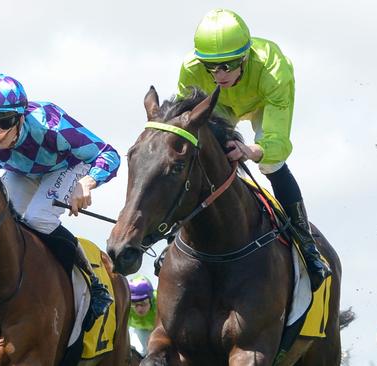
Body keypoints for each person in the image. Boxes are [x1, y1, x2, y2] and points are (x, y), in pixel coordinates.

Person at [176, 9, 330, 291]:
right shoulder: (191, 69)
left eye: (227, 66)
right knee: (205, 154)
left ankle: (305, 241)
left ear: (244, 57)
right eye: (211, 66)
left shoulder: (273, 69)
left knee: (272, 164)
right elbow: (189, 123)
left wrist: (253, 150)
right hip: (221, 105)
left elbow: (278, 140)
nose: (218, 75)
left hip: (263, 102)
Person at [0, 73, 120, 327]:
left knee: (38, 218)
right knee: (7, 221)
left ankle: (95, 284)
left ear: (21, 116)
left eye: (5, 122)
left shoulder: (50, 122)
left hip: (65, 167)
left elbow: (108, 154)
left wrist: (87, 182)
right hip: (21, 172)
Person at [127, 275, 157, 357]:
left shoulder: (159, 301)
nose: (139, 309)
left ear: (151, 299)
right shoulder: (127, 306)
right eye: (134, 304)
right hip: (141, 329)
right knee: (138, 353)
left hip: (160, 329)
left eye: (143, 303)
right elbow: (123, 330)